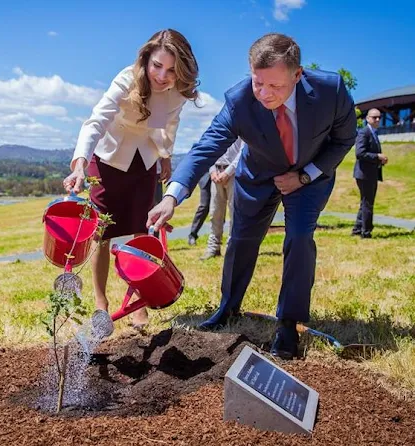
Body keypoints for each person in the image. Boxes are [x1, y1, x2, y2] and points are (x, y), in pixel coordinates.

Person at [147, 33, 356, 359]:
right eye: (259, 83)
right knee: (241, 240)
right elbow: (205, 148)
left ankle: (288, 323)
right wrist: (172, 196)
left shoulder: (331, 91)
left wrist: (304, 175)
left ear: (297, 75)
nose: (265, 94)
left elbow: (344, 139)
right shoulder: (240, 100)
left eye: (276, 87)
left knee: (299, 238)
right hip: (257, 176)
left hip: (310, 175)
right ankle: (228, 307)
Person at [63, 29, 199, 328]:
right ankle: (101, 302)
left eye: (172, 70)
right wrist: (80, 165)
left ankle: (138, 300)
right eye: (157, 66)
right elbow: (96, 122)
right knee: (103, 232)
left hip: (144, 160)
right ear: (146, 60)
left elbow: (170, 126)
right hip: (109, 158)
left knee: (141, 231)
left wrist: (165, 156)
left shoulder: (178, 92)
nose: (163, 76)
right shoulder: (126, 79)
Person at [200, 138, 244, 260]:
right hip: (216, 173)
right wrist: (212, 171)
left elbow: (242, 152)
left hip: (234, 173)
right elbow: (211, 149)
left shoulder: (242, 127)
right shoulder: (219, 126)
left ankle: (232, 247)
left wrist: (228, 172)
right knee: (215, 212)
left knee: (234, 212)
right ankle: (213, 247)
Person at [352, 108, 388, 238]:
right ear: (367, 118)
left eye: (379, 117)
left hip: (369, 173)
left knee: (365, 202)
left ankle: (357, 229)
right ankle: (366, 232)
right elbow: (360, 153)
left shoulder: (373, 133)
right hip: (364, 174)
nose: (377, 120)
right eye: (374, 117)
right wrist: (377, 157)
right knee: (368, 203)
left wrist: (380, 160)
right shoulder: (364, 133)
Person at [187, 171, 212, 246]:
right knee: (204, 206)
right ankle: (193, 234)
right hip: (206, 176)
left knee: (220, 207)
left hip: (224, 173)